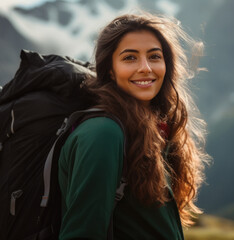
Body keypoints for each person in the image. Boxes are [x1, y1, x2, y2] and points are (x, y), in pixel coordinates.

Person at [58, 12, 210, 240]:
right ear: (110, 69)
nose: (146, 68)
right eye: (130, 58)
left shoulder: (156, 129)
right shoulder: (103, 134)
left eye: (154, 57)